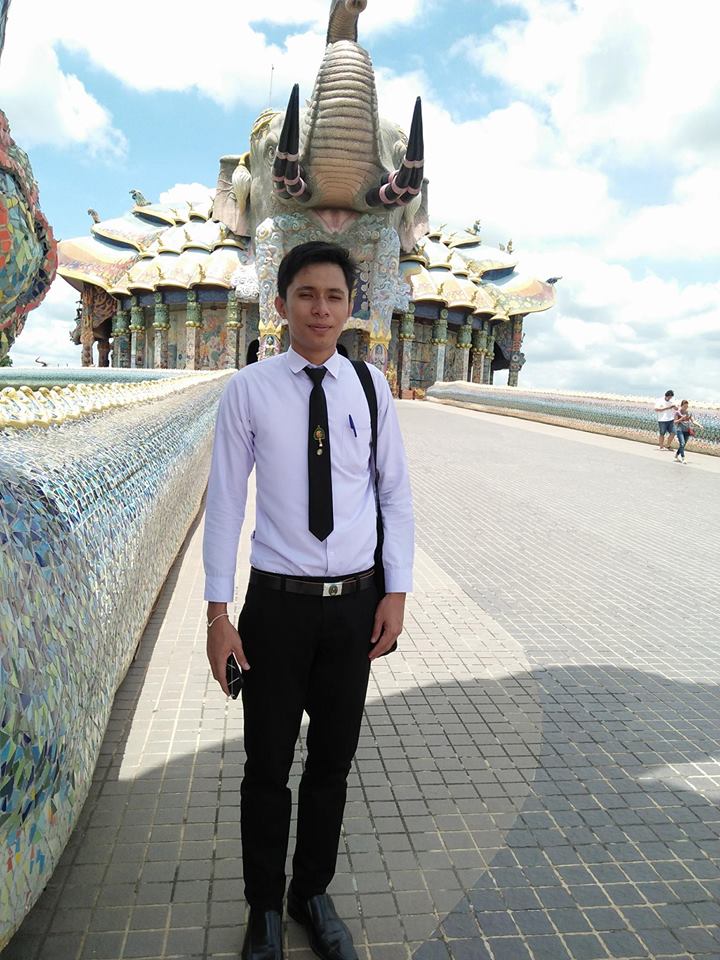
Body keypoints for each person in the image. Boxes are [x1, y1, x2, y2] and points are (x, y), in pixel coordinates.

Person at [202, 241, 414, 960]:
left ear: (351, 306)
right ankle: (264, 906)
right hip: (276, 609)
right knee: (266, 766)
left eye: (334, 296)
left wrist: (395, 592)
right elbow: (226, 504)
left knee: (331, 763)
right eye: (306, 295)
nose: (320, 310)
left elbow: (394, 495)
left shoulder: (371, 388)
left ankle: (311, 893)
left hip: (354, 606)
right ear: (282, 304)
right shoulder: (249, 390)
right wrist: (218, 615)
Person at [673, 399, 703, 463]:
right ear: (681, 406)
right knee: (682, 443)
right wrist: (681, 419)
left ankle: (676, 455)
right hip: (680, 430)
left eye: (687, 406)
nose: (686, 408)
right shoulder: (677, 412)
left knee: (683, 445)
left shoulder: (689, 413)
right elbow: (675, 422)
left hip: (687, 430)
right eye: (684, 406)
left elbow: (693, 421)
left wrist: (699, 425)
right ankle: (683, 458)